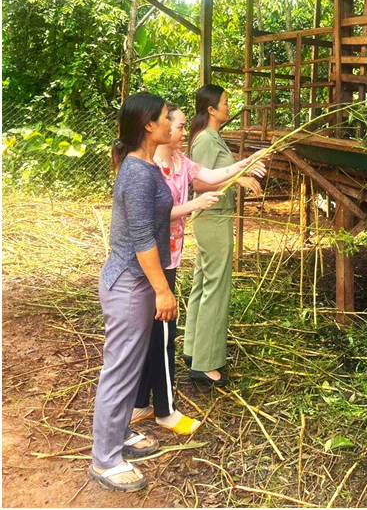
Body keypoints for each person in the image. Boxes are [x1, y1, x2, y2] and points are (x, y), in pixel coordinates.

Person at [89, 93, 264, 493]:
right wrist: (161, 290)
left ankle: (116, 438)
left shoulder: (147, 167)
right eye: (168, 118)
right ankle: (104, 459)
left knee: (131, 365)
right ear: (149, 125)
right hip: (132, 283)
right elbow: (140, 239)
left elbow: (156, 217)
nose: (175, 124)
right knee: (119, 370)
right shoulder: (136, 173)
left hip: (138, 281)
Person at [130, 103, 265, 435]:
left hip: (171, 255)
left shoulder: (180, 162)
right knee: (163, 334)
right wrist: (195, 204)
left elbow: (212, 175)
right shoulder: (147, 168)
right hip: (152, 258)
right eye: (175, 126)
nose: (179, 131)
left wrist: (248, 162)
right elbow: (151, 218)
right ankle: (165, 411)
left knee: (152, 333)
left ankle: (138, 404)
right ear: (156, 129)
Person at [183, 84, 264, 385]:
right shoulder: (205, 139)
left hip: (214, 218)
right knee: (216, 288)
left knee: (203, 284)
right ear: (211, 110)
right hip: (213, 219)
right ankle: (205, 364)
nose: (230, 107)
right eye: (226, 103)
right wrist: (239, 179)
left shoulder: (211, 137)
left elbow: (215, 175)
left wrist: (241, 173)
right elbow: (200, 185)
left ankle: (193, 350)